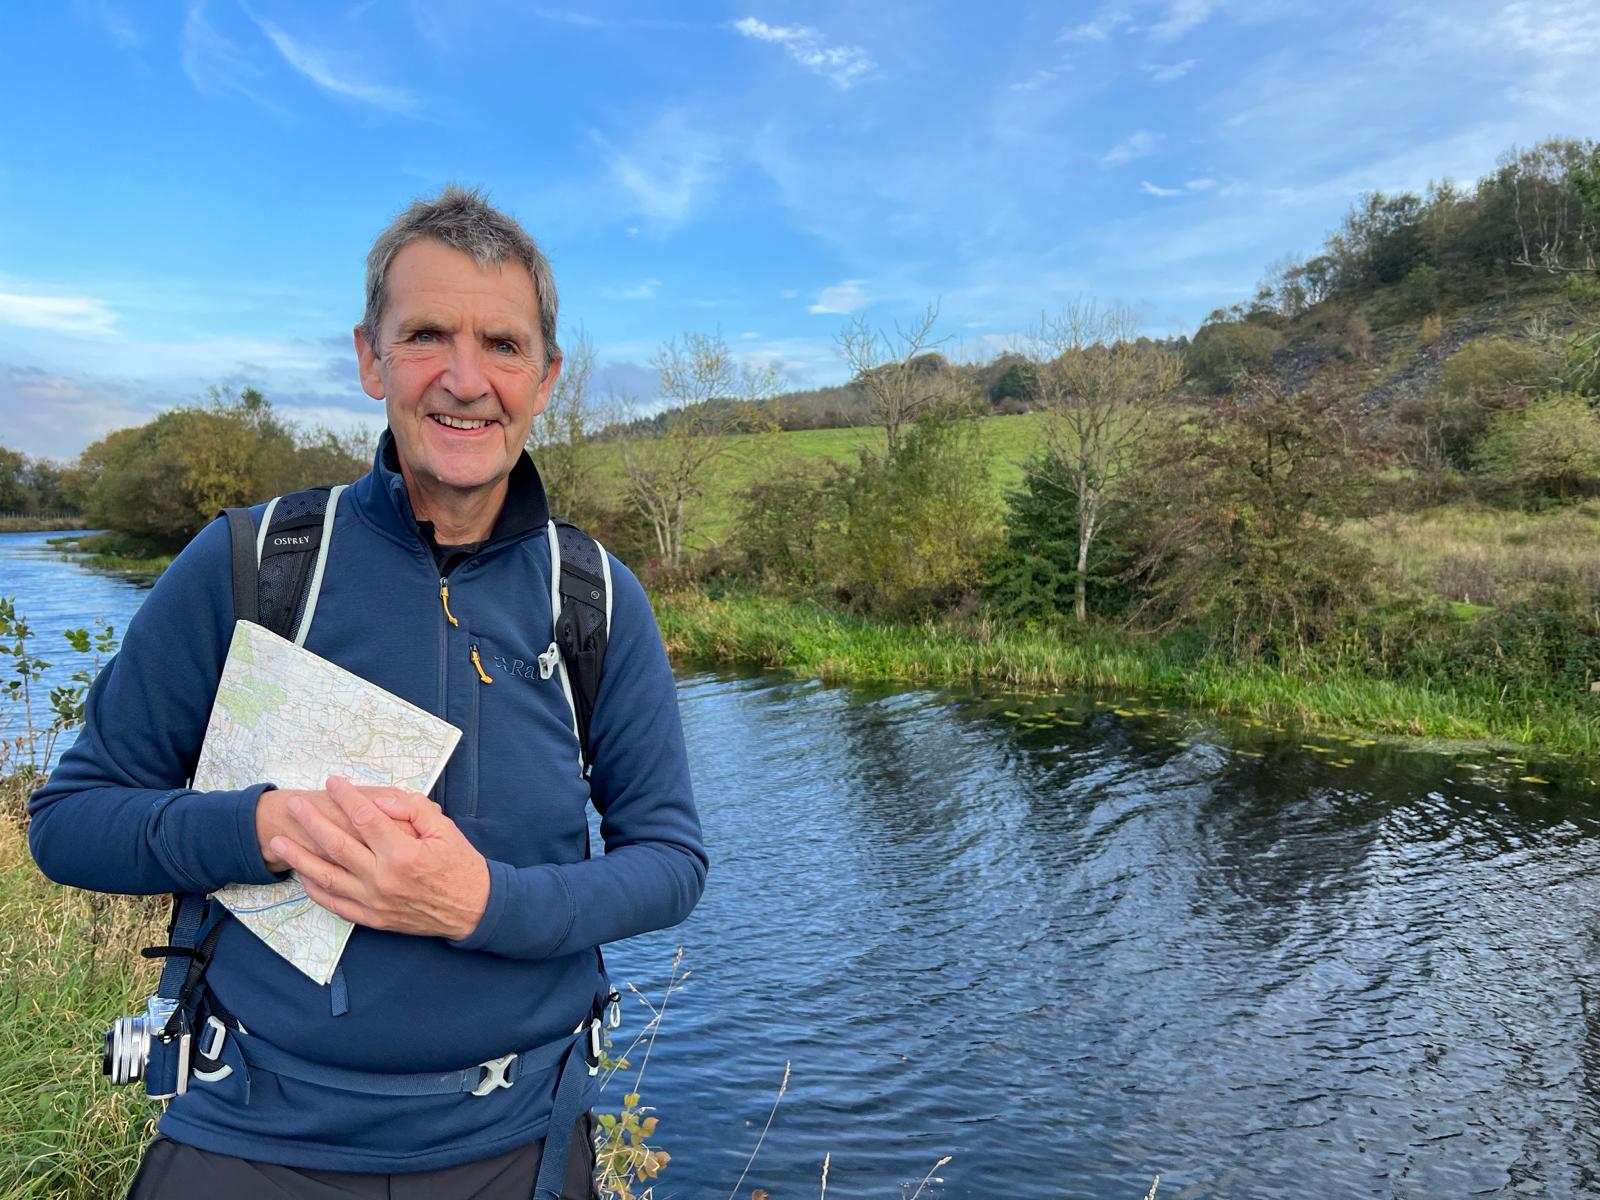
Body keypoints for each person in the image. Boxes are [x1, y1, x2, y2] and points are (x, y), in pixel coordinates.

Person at [28, 186, 707, 1199]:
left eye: (503, 345)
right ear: (369, 357)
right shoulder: (251, 566)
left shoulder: (597, 597)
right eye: (427, 334)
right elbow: (69, 824)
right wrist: (263, 828)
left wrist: (485, 901)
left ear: (547, 377)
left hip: (519, 1140)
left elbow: (670, 863)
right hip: (248, 1135)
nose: (465, 379)